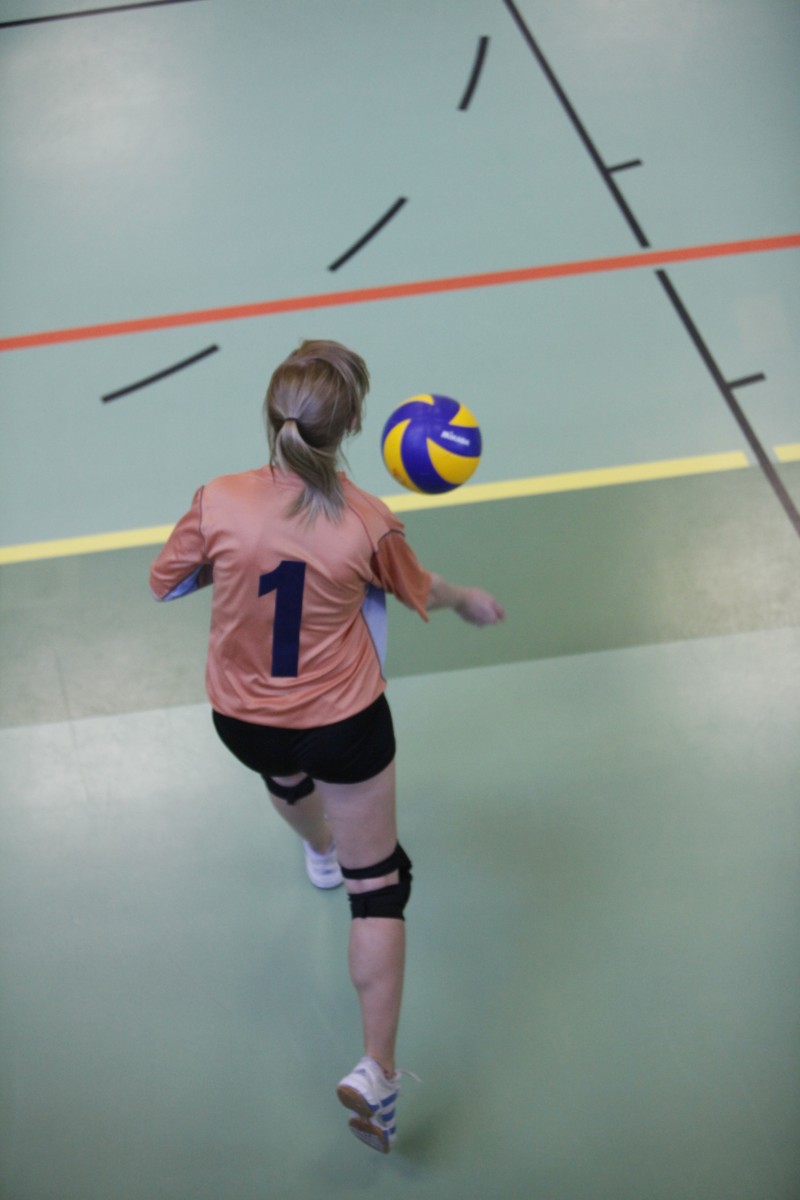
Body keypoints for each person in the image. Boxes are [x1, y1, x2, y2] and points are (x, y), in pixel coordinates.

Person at [149, 339, 505, 1153]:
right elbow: (419, 588)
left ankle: (316, 850)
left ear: (272, 417)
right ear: (353, 428)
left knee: (284, 777)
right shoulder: (368, 521)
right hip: (343, 722)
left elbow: (166, 581)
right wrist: (466, 601)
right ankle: (377, 1070)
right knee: (378, 887)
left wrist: (233, 557)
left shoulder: (217, 499)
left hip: (242, 716)